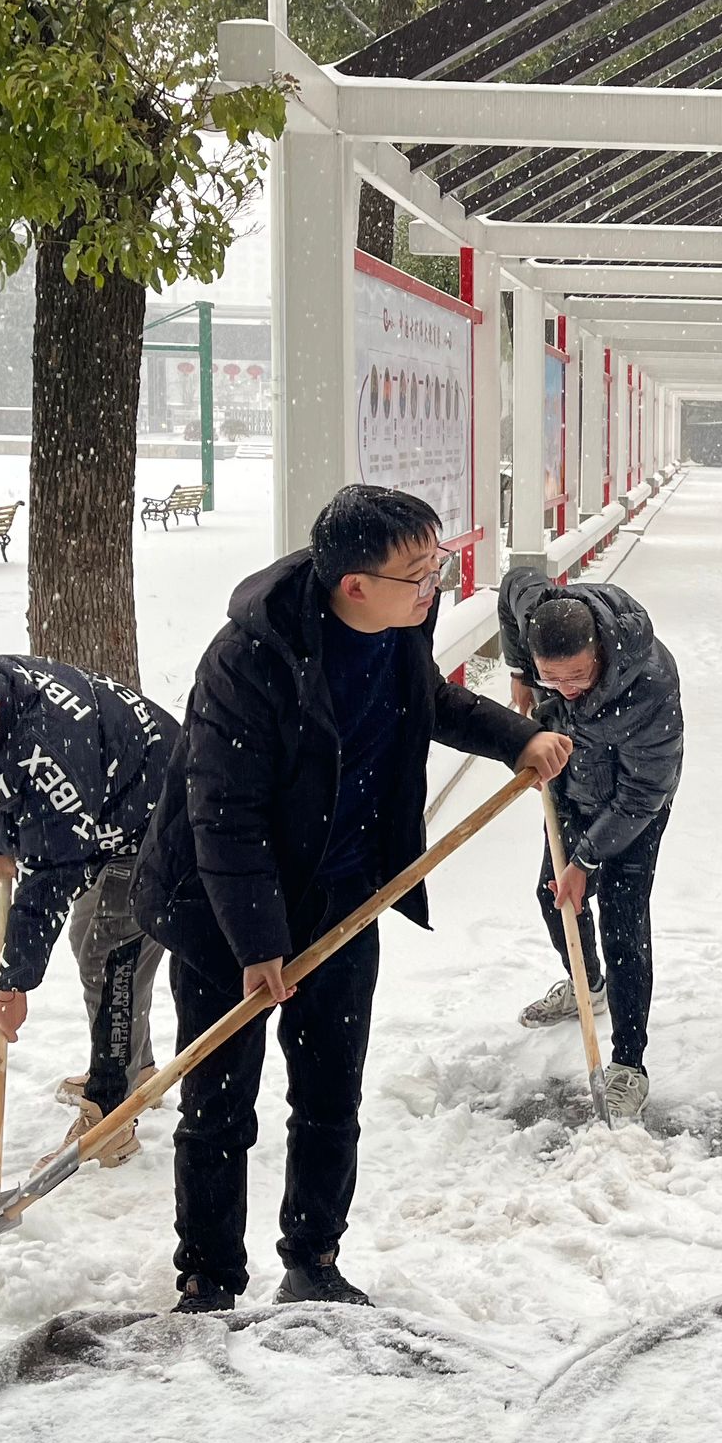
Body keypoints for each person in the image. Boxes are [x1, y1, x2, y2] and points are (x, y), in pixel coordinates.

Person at [134, 487, 573, 1314]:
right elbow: (224, 819)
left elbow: (430, 703)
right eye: (418, 573)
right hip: (222, 912)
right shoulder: (247, 663)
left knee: (330, 1092)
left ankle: (314, 1258)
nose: (433, 587)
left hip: (343, 900)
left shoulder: (399, 625)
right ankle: (209, 1275)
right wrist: (258, 944)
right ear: (353, 585)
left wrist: (518, 738)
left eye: (436, 567)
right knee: (219, 1103)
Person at [0, 654, 177, 1159]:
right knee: (88, 941)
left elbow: (50, 877)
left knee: (110, 954)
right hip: (105, 813)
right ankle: (135, 1068)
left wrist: (12, 985)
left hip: (159, 822)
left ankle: (111, 1118)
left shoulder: (48, 752)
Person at [497, 569, 685, 1121]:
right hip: (572, 780)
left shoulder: (650, 683)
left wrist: (586, 858)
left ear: (599, 648)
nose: (569, 689)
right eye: (554, 679)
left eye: (578, 677)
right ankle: (589, 985)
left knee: (624, 918)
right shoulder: (539, 614)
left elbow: (643, 792)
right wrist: (519, 673)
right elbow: (514, 583)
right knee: (554, 895)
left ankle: (629, 1063)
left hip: (635, 802)